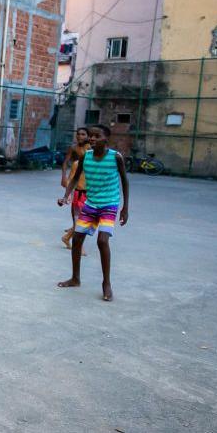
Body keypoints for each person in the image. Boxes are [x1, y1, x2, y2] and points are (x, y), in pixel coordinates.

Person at [57, 124, 129, 301]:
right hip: (91, 203)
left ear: (106, 138)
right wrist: (66, 196)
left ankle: (106, 283)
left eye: (97, 136)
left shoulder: (115, 157)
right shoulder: (86, 157)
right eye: (91, 136)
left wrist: (125, 208)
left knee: (102, 240)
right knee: (77, 239)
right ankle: (75, 278)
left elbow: (125, 181)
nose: (92, 139)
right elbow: (74, 178)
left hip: (109, 204)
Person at [60, 127, 90, 252]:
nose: (80, 136)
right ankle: (76, 243)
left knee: (84, 218)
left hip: (87, 184)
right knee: (78, 216)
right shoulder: (74, 148)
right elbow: (65, 162)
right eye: (78, 134)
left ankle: (69, 236)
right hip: (76, 182)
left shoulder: (91, 148)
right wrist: (63, 177)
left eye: (83, 134)